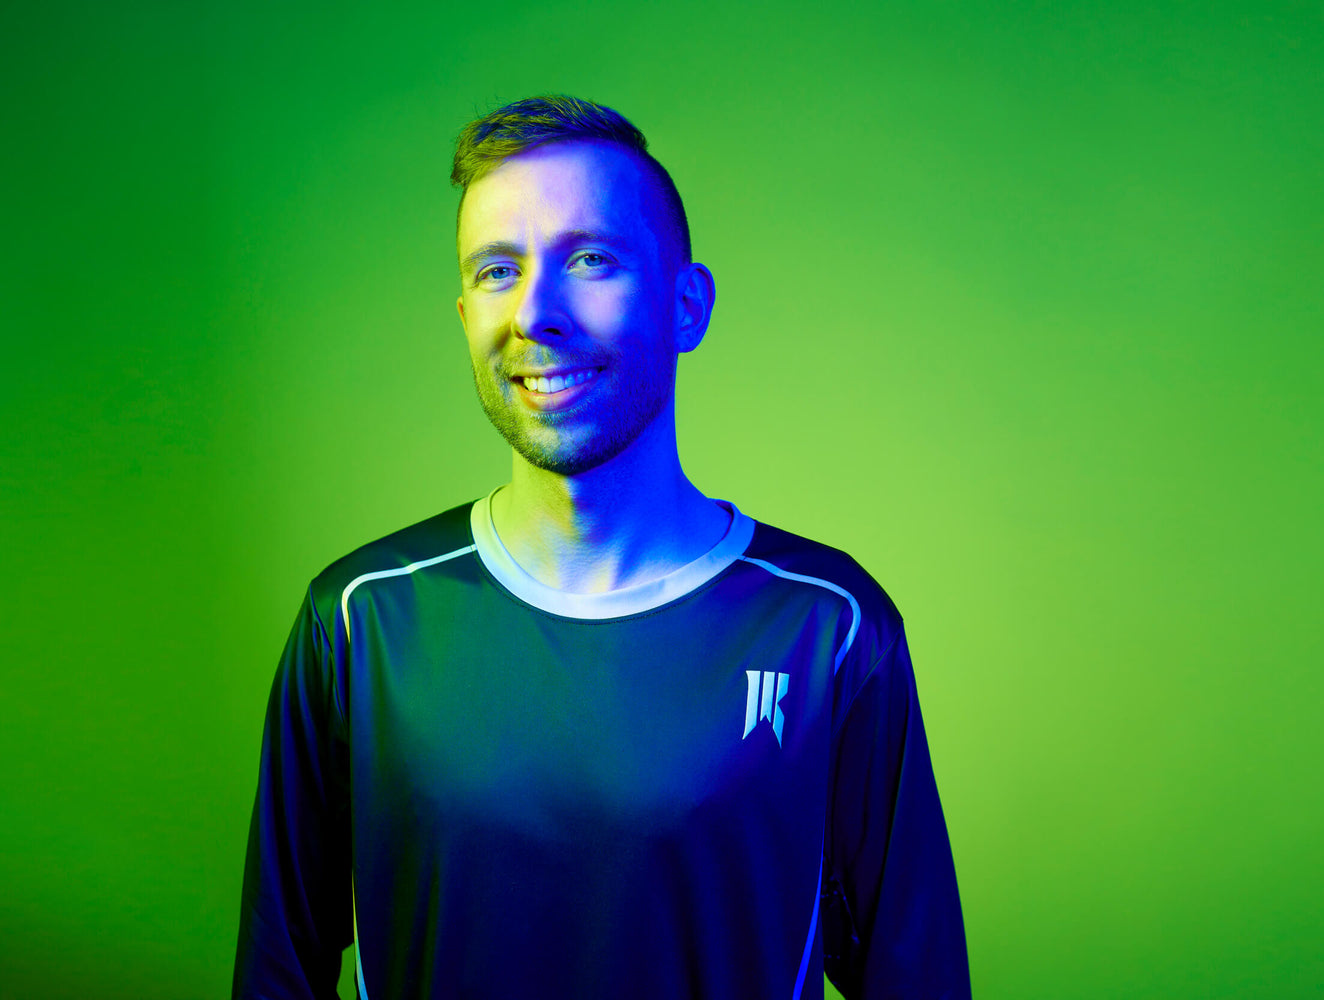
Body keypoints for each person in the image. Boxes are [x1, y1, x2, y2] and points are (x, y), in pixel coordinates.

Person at [232, 94, 969, 999]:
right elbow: (277, 976)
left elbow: (914, 976)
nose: (536, 313)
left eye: (589, 259)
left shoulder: (828, 628)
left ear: (686, 306)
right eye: (497, 270)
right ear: (463, 313)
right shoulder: (359, 620)